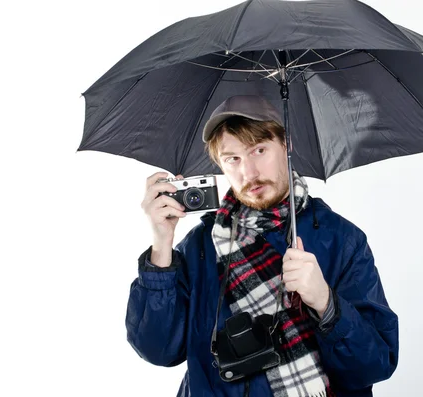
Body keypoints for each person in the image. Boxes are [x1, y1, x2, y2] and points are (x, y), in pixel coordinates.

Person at [126, 95, 399, 397]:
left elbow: (374, 366)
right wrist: (161, 247)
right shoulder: (200, 247)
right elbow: (158, 351)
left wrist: (325, 302)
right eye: (233, 159)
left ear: (287, 145)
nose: (249, 173)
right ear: (219, 164)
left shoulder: (340, 239)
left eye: (259, 150)